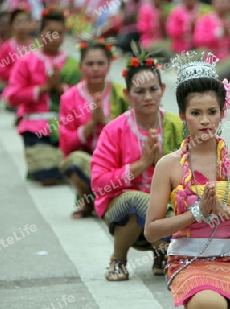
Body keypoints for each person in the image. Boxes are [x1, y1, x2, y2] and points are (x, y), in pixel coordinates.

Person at [144, 51, 230, 309]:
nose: (204, 120)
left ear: (223, 112)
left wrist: (229, 212)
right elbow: (152, 230)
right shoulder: (168, 165)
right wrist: (196, 213)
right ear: (182, 114)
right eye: (195, 112)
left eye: (212, 111)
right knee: (211, 305)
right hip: (189, 260)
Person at [90, 52, 183, 281]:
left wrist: (164, 165)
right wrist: (140, 165)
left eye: (153, 89)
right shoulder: (114, 130)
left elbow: (196, 174)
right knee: (135, 201)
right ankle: (118, 259)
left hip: (168, 207)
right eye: (139, 91)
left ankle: (162, 253)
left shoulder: (177, 125)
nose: (148, 96)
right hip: (126, 212)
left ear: (162, 89)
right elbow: (98, 183)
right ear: (127, 94)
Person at [5, 7, 82, 186]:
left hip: (64, 125)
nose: (55, 38)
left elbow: (81, 97)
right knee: (47, 176)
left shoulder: (72, 64)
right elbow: (12, 96)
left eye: (60, 33)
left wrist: (60, 88)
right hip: (34, 125)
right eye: (50, 32)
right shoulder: (26, 61)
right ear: (40, 33)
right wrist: (44, 88)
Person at [58, 39, 129, 219]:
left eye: (100, 63)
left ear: (109, 65)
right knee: (73, 161)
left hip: (116, 161)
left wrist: (104, 121)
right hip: (87, 160)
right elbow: (66, 144)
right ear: (81, 67)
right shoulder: (69, 98)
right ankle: (86, 199)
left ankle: (112, 202)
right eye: (90, 64)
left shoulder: (122, 94)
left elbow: (130, 136)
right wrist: (91, 123)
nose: (95, 68)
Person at [0, 5, 33, 120]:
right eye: (18, 22)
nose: (22, 26)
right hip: (14, 86)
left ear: (30, 24)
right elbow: (1, 71)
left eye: (25, 22)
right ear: (12, 25)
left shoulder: (36, 46)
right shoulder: (7, 47)